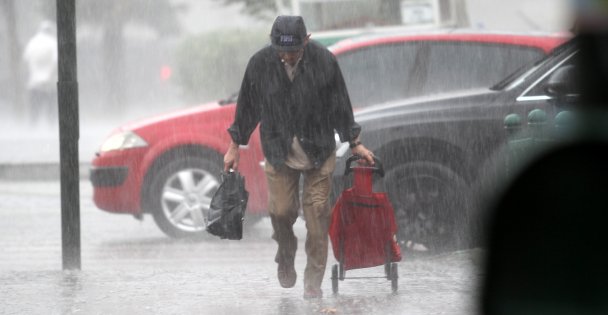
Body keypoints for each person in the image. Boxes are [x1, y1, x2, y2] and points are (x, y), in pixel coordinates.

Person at [224, 15, 374, 299]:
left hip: (318, 149)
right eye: (282, 51)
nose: (287, 56)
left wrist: (355, 142)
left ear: (306, 41)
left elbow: (341, 105)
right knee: (280, 212)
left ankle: (313, 282)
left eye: (293, 51)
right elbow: (247, 108)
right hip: (279, 151)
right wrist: (234, 146)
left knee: (317, 213)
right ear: (273, 44)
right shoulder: (260, 64)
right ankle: (286, 253)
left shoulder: (324, 62)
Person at [22, 21, 58, 126]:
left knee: (35, 108)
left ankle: (33, 126)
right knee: (51, 108)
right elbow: (56, 61)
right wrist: (51, 74)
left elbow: (25, 59)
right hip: (49, 82)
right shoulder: (53, 42)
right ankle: (51, 126)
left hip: (34, 81)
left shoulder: (32, 42)